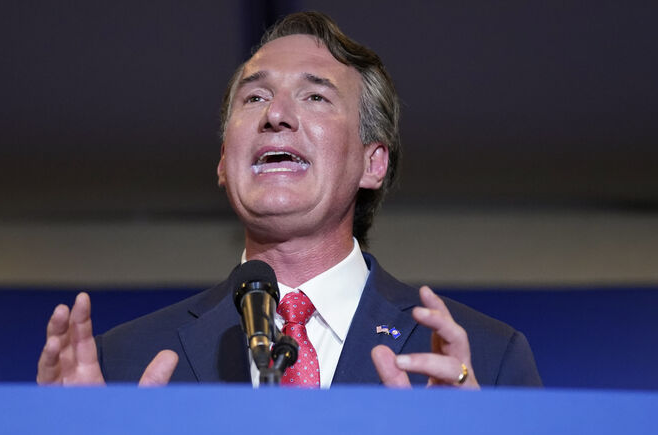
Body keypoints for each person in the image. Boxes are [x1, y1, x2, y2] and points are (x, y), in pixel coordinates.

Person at [37, 12, 541, 389]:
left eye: (315, 96)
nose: (275, 114)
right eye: (254, 98)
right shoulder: (120, 365)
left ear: (374, 162)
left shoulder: (485, 361)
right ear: (222, 161)